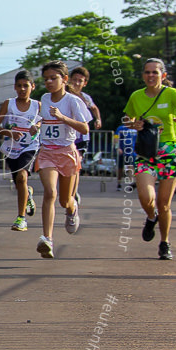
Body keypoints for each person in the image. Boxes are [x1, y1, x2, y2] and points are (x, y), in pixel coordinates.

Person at [122, 58, 176, 260]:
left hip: (170, 152)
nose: (150, 76)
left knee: (164, 203)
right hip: (146, 153)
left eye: (155, 72)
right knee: (146, 198)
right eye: (147, 72)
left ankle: (164, 243)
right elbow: (126, 119)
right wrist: (134, 124)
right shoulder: (136, 96)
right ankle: (150, 216)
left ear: (163, 75)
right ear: (143, 75)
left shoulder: (171, 94)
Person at [31, 61, 92, 258]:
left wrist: (63, 118)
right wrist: (37, 125)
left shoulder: (73, 101)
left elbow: (85, 128)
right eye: (46, 79)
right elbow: (43, 118)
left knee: (65, 200)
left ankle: (72, 209)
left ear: (64, 79)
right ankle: (46, 239)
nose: (49, 82)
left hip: (67, 152)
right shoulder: (44, 98)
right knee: (50, 192)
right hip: (47, 152)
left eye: (53, 78)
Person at [0, 70, 40, 231]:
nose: (22, 89)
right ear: (14, 87)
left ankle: (21, 218)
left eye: (26, 86)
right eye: (19, 86)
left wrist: (37, 126)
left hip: (29, 147)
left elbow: (44, 121)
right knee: (19, 182)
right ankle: (28, 194)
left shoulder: (37, 105)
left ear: (32, 87)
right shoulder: (9, 103)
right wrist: (9, 132)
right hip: (11, 148)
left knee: (21, 177)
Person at [68, 66, 101, 205]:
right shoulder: (65, 94)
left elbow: (94, 108)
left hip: (81, 137)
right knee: (67, 166)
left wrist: (98, 119)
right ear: (69, 80)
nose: (76, 83)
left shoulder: (86, 98)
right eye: (74, 80)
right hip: (66, 136)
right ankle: (68, 190)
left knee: (76, 164)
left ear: (84, 83)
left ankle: (73, 193)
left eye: (80, 81)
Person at [114, 123, 136, 191]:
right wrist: (117, 148)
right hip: (122, 150)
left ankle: (131, 183)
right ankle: (119, 183)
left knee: (131, 166)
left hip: (133, 151)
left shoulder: (136, 128)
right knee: (120, 168)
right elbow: (116, 138)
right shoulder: (121, 128)